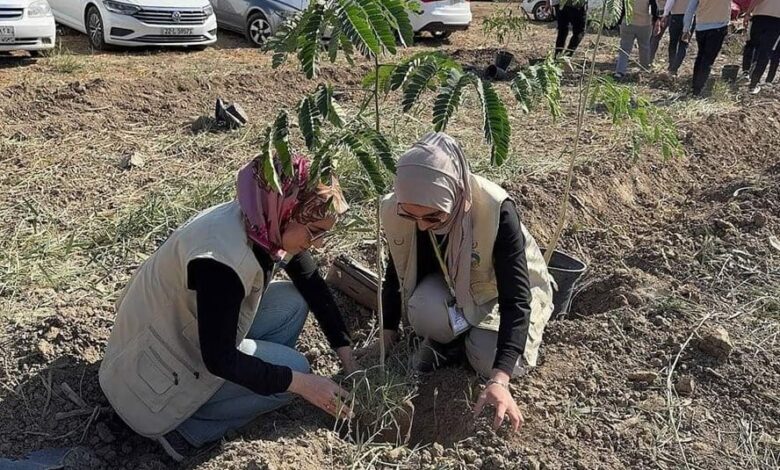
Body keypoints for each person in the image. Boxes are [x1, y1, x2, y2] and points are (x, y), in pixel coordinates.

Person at [99, 154, 357, 462]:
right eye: (314, 231)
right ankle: (187, 430)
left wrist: (349, 360)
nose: (319, 243)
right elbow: (219, 358)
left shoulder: (260, 216)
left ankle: (242, 392)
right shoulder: (220, 262)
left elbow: (309, 280)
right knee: (298, 370)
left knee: (292, 302)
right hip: (147, 384)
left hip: (179, 338)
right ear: (287, 210)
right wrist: (302, 384)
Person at [377, 132, 555, 432]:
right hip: (455, 291)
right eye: (412, 216)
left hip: (497, 293)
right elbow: (397, 269)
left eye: (433, 218)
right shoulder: (401, 208)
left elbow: (516, 299)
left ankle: (466, 344)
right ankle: (452, 344)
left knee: (487, 357)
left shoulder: (495, 210)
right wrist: (387, 334)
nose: (422, 225)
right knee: (422, 310)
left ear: (456, 193)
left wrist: (500, 379)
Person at [682, 0, 732, 96]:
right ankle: (698, 89)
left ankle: (695, 87)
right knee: (707, 60)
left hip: (701, 27)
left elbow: (690, 9)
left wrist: (686, 29)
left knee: (701, 56)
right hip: (719, 27)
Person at [614, 0, 661, 79]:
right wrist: (656, 20)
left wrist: (619, 22)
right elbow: (654, 8)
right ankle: (644, 69)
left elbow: (621, 8)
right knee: (644, 47)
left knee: (624, 49)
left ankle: (620, 71)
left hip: (628, 22)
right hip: (644, 24)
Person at [741, 0, 780, 94]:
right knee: (765, 52)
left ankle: (746, 72)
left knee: (751, 45)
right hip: (776, 21)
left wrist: (747, 13)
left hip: (758, 18)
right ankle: (754, 83)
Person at [657, 0, 694, 75]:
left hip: (676, 16)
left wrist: (665, 14)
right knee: (684, 43)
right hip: (690, 17)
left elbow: (670, 1)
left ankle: (672, 65)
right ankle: (675, 67)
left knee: (673, 42)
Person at [649, 0, 669, 65]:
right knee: (655, 37)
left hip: (660, 14)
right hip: (661, 15)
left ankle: (647, 59)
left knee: (653, 37)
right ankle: (648, 60)